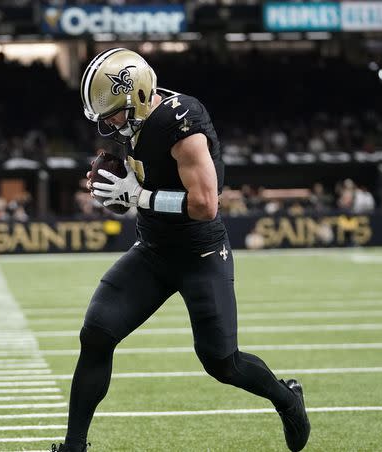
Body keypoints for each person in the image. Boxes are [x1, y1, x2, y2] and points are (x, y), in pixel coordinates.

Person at [52, 48, 310, 452]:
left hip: (200, 254)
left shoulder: (181, 122)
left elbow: (206, 205)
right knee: (97, 333)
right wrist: (117, 191)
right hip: (154, 250)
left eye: (113, 113)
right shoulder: (134, 121)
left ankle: (287, 399)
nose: (108, 123)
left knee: (222, 362)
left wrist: (138, 196)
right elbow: (144, 185)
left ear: (137, 97)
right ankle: (73, 447)